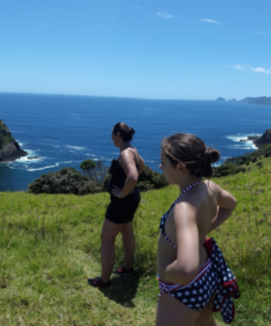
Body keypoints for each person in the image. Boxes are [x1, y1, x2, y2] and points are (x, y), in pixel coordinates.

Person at [154, 133, 240, 325]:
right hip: (207, 274)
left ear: (181, 168)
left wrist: (164, 271)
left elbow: (185, 269)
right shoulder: (210, 188)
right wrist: (204, 230)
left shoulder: (184, 209)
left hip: (182, 290)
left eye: (163, 162)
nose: (160, 166)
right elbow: (230, 204)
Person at [87, 122, 145, 288]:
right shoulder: (132, 150)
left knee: (106, 239)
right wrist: (127, 191)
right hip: (132, 198)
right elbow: (142, 166)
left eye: (112, 134)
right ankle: (127, 268)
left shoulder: (126, 154)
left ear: (119, 135)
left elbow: (133, 176)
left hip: (122, 201)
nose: (111, 137)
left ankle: (104, 281)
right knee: (127, 231)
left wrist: (121, 193)